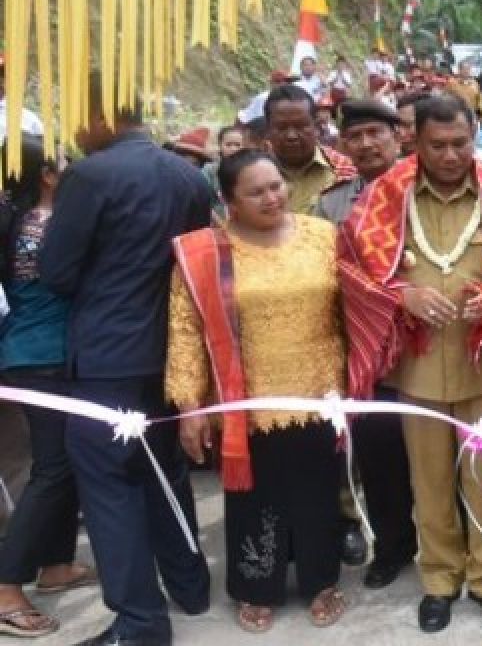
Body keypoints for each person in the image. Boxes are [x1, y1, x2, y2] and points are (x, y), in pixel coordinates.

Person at [338, 94, 482, 634]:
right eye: (437, 145)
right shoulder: (384, 197)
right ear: (414, 142)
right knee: (428, 482)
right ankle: (440, 581)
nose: (450, 155)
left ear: (475, 138)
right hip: (418, 368)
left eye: (461, 144)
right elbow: (351, 269)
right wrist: (402, 295)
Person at [40, 76, 212, 646]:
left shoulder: (88, 176)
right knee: (165, 470)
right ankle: (190, 587)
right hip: (170, 351)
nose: (75, 129)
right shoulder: (188, 175)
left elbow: (57, 272)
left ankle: (139, 621)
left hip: (106, 354)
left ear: (103, 115)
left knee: (109, 485)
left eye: (78, 116)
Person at [165, 151, 347, 634]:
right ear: (228, 202)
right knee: (255, 498)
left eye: (276, 185)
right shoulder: (205, 253)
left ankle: (321, 581)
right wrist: (189, 406)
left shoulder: (322, 236)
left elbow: (356, 305)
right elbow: (185, 331)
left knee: (317, 494)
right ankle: (256, 586)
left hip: (319, 391)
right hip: (247, 399)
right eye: (256, 192)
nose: (272, 198)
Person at [313, 100, 418, 587]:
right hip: (368, 351)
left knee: (437, 451)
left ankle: (452, 545)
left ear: (399, 137)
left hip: (426, 342)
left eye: (377, 133)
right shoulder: (333, 204)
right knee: (379, 457)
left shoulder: (424, 187)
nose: (367, 144)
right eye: (355, 137)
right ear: (343, 145)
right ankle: (394, 547)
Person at [0, 137, 96, 640]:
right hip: (43, 356)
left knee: (63, 462)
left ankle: (56, 564)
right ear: (46, 175)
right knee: (53, 468)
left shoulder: (18, 220)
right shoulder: (48, 223)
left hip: (28, 351)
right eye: (64, 164)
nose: (72, 170)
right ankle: (5, 584)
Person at [263, 84, 356, 214]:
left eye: (300, 126)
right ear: (267, 130)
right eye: (282, 127)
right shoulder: (249, 175)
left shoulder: (346, 171)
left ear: (316, 127)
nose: (291, 136)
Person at [202, 126, 245, 220]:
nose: (233, 149)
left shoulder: (248, 170)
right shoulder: (210, 170)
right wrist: (217, 221)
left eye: (238, 145)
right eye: (228, 145)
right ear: (220, 145)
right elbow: (202, 199)